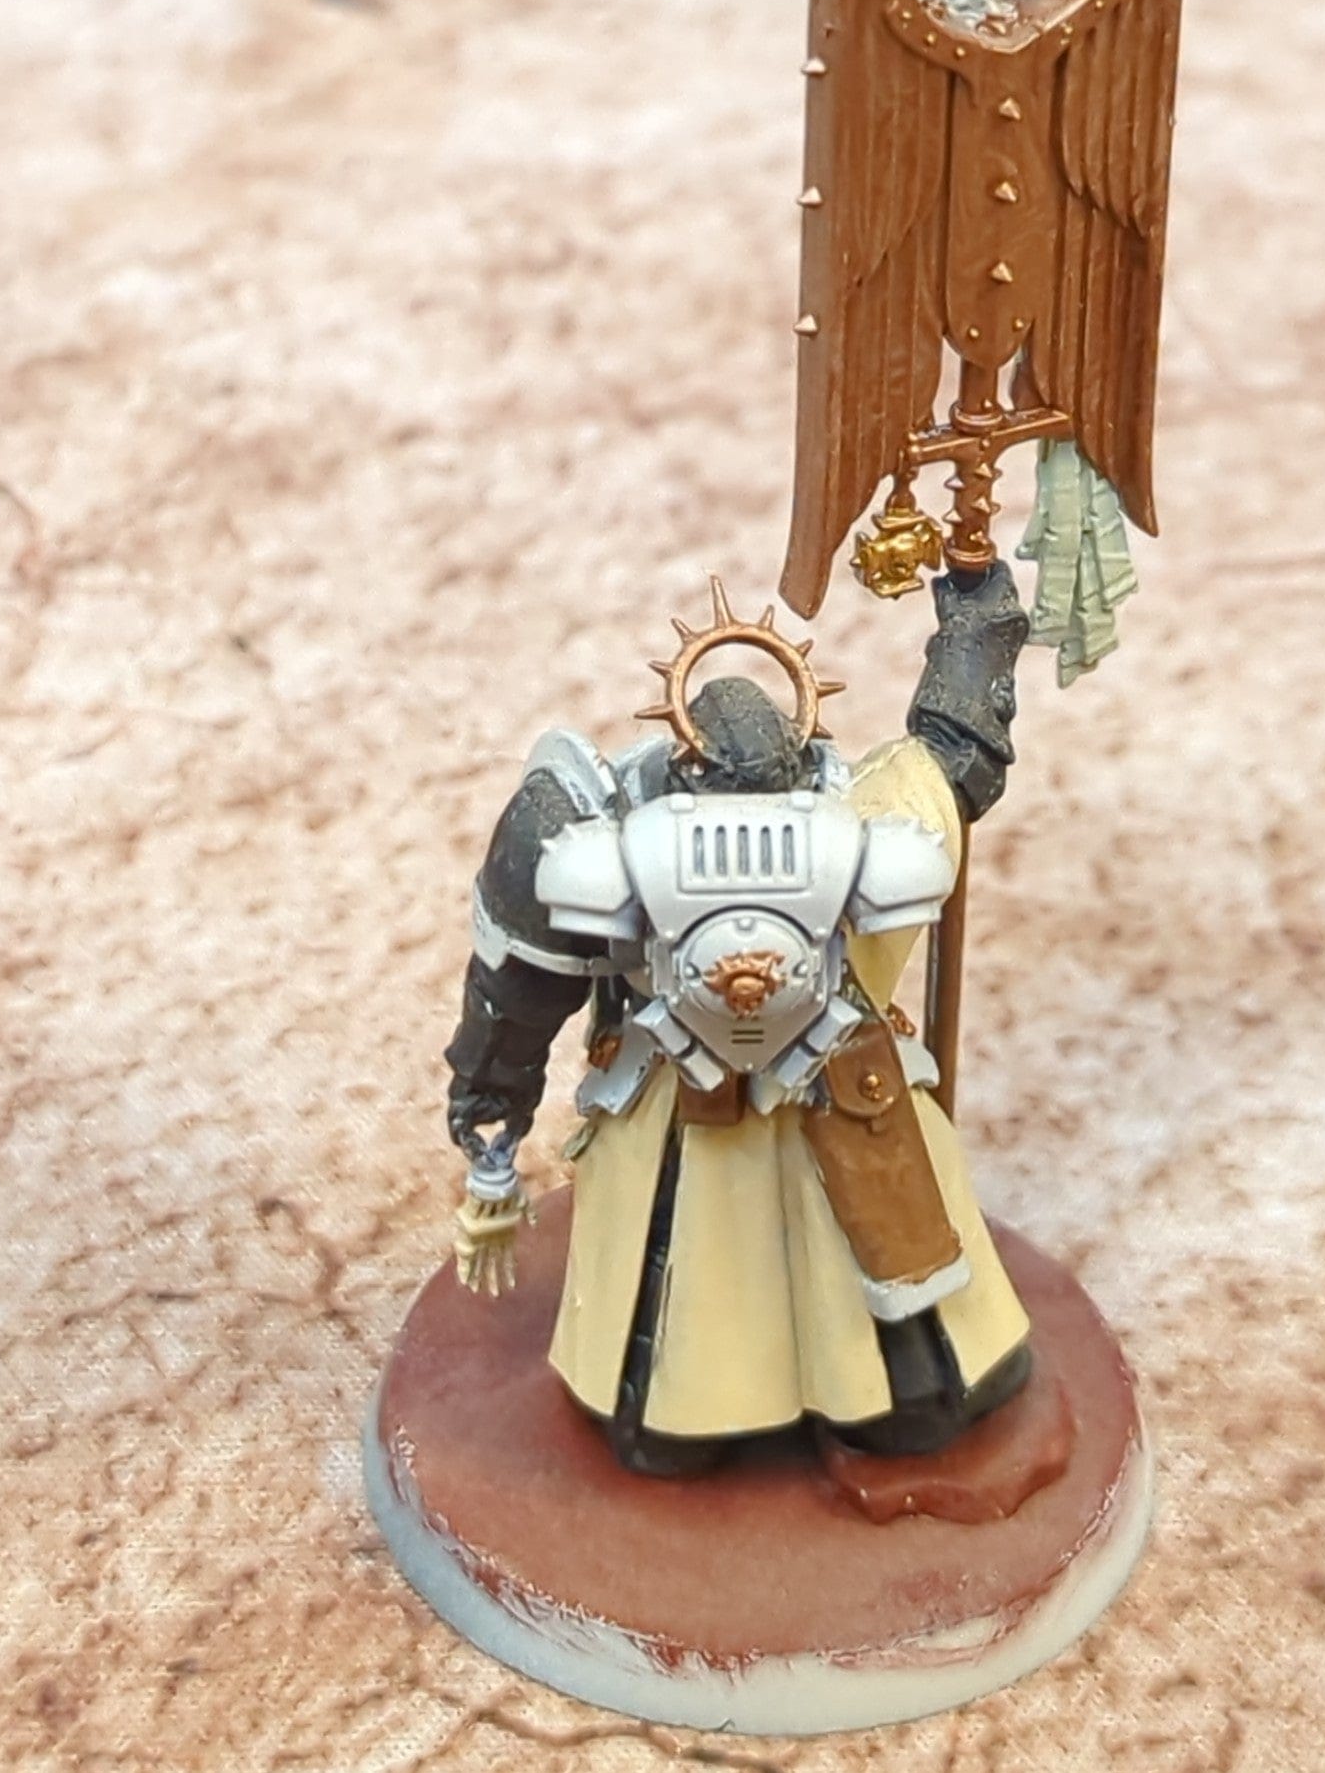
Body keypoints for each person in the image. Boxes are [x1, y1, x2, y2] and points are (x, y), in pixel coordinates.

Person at [442, 565, 1037, 1475]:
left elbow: (515, 998)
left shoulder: (609, 839)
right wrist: (977, 608)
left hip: (803, 1099)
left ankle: (727, 1416)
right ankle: (795, 1410)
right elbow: (958, 750)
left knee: (801, 1300)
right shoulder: (879, 812)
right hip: (722, 1104)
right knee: (767, 1318)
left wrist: (491, 1134)